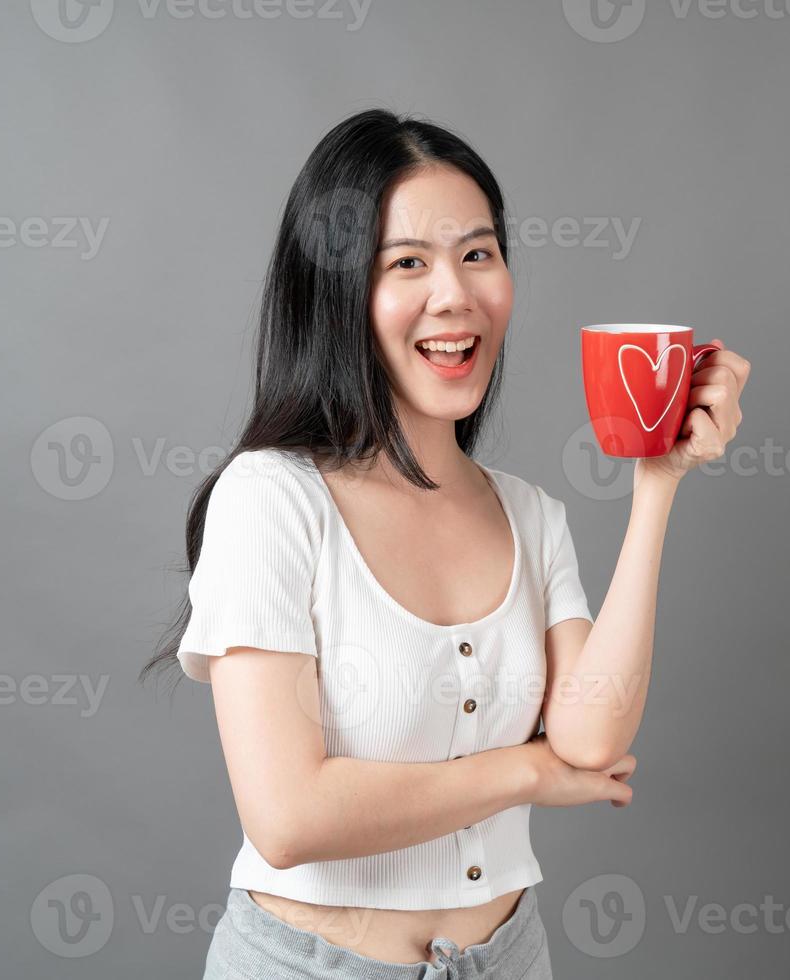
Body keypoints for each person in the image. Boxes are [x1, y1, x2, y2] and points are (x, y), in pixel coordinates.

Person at [141, 107, 749, 978]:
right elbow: (287, 815)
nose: (455, 294)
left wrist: (660, 482)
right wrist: (524, 775)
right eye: (407, 264)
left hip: (510, 957)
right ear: (338, 290)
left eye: (478, 253)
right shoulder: (271, 499)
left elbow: (589, 740)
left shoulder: (530, 515)